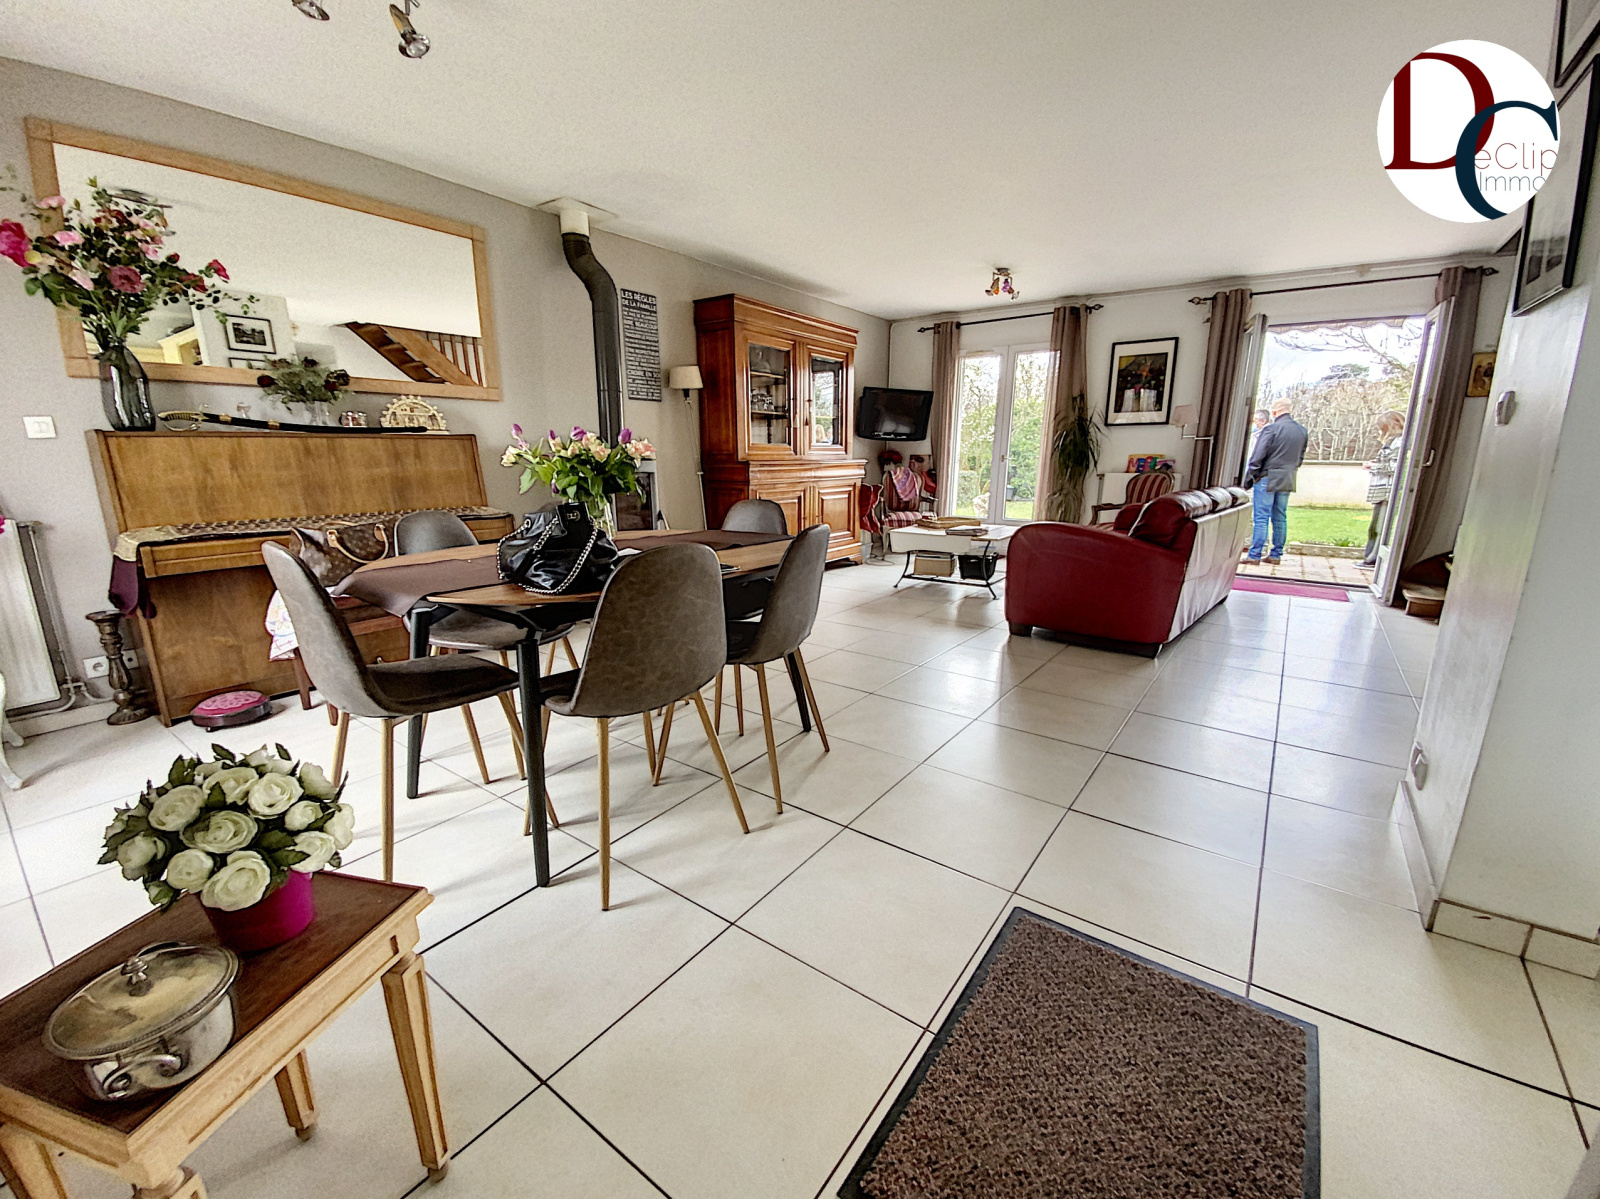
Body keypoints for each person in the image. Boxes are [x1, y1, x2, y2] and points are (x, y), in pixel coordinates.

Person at [1243, 399, 1309, 565]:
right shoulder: (1301, 431)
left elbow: (1258, 456)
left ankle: (1254, 555)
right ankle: (1276, 554)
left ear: (1274, 412)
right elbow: (1300, 457)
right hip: (1287, 477)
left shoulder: (1271, 429)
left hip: (1267, 476)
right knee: (1280, 516)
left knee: (1261, 517)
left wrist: (1249, 478)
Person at [1362, 410, 1405, 567]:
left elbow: (1395, 467)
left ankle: (1373, 559)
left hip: (1387, 491)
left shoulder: (1398, 443)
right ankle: (1370, 557)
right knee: (1375, 526)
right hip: (1382, 491)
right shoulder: (1393, 442)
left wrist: (1373, 466)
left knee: (1380, 528)